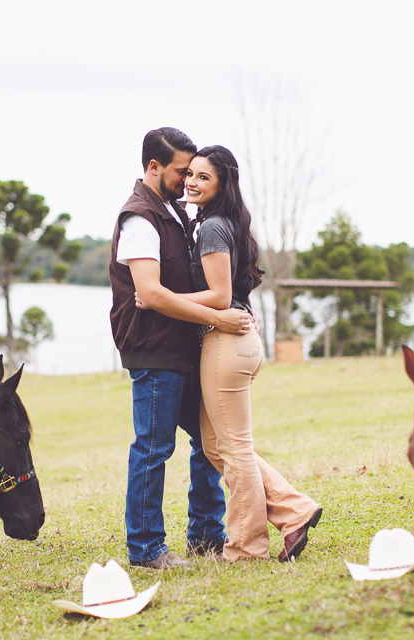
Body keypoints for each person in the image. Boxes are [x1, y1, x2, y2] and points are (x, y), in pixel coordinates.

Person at [138, 145, 322, 562]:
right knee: (216, 446)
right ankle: (294, 511)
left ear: (222, 184)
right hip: (231, 342)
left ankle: (246, 546)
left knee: (233, 448)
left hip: (226, 342)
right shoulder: (221, 223)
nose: (192, 182)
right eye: (191, 174)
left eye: (204, 177)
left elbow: (221, 296)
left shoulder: (214, 227)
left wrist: (159, 297)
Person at [109, 128, 253, 570]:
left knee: (208, 441)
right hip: (154, 348)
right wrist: (218, 315)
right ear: (153, 167)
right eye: (179, 171)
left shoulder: (171, 212)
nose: (186, 179)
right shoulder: (139, 218)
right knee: (153, 447)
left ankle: (207, 535)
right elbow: (149, 293)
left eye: (193, 172)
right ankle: (147, 548)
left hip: (184, 345)